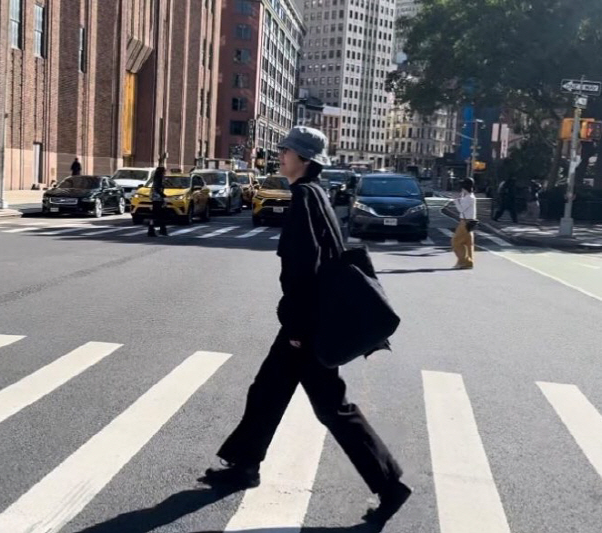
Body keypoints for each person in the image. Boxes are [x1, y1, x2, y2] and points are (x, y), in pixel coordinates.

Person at [200, 126, 411, 526]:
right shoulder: (318, 195)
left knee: (331, 407)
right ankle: (244, 464)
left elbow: (302, 267)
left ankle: (390, 485)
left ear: (306, 159)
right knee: (268, 392)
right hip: (311, 319)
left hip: (305, 324)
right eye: (282, 149)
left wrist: (296, 328)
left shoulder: (303, 197)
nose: (281, 154)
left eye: (288, 151)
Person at [451, 178, 477, 270]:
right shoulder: (469, 196)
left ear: (464, 187)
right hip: (468, 222)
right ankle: (467, 261)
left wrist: (455, 200)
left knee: (456, 242)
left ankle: (464, 261)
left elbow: (461, 209)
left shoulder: (469, 198)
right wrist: (460, 197)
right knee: (468, 243)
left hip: (465, 222)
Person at [148, 154, 168, 237]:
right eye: (164, 171)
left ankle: (160, 230)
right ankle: (156, 230)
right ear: (161, 172)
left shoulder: (159, 178)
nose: (165, 173)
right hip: (157, 199)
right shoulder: (158, 179)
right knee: (158, 215)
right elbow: (157, 188)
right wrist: (163, 195)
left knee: (158, 215)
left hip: (157, 198)